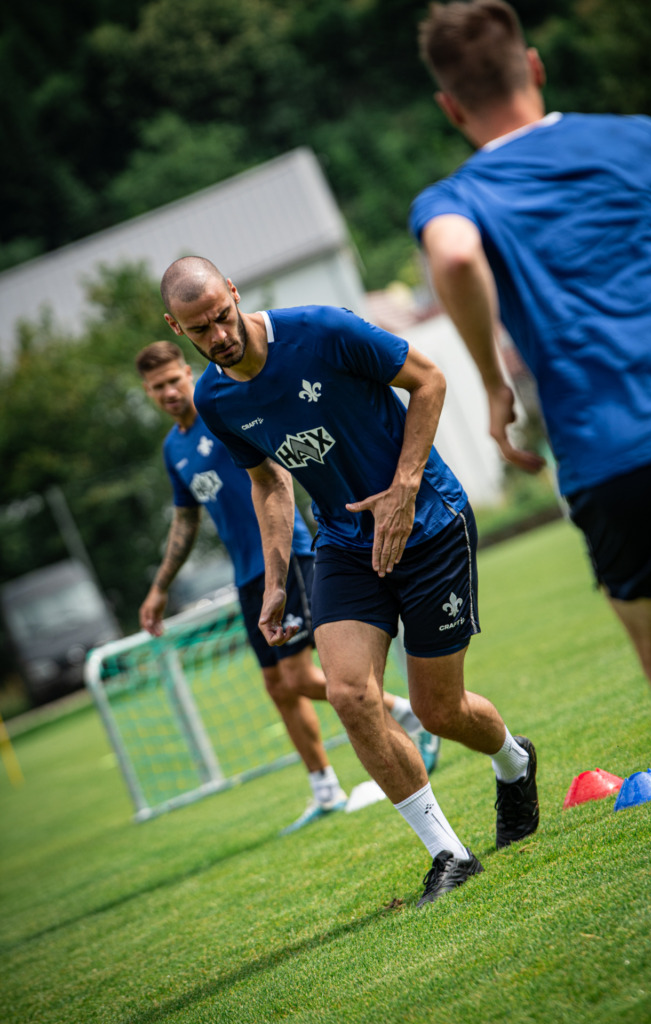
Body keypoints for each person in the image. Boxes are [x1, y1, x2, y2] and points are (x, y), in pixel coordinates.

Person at [159, 255, 539, 908]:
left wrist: (404, 486)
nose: (219, 336)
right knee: (348, 693)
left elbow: (429, 379)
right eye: (200, 330)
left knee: (437, 711)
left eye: (222, 316)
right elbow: (268, 481)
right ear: (177, 328)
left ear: (234, 292)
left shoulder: (322, 330)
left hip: (428, 524)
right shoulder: (214, 400)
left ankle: (514, 760)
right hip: (342, 543)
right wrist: (277, 580)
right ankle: (448, 853)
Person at [410, 0, 651, 760]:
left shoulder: (455, 197)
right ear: (532, 66)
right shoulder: (641, 138)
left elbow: (454, 255)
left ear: (449, 106)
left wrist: (493, 381)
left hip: (615, 458)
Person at [135, 340, 439, 835]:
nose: (168, 392)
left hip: (288, 556)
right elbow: (186, 521)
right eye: (157, 387)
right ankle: (325, 789)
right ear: (147, 392)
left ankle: (403, 713)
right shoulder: (174, 449)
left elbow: (274, 474)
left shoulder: (221, 412)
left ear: (188, 373)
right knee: (278, 686)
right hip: (245, 575)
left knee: (299, 676)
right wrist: (159, 588)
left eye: (173, 380)